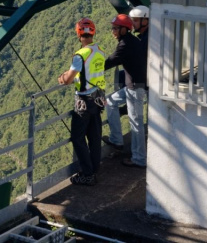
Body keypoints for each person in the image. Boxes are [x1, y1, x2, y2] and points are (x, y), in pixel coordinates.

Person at [58, 18, 107, 186]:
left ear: (79, 34)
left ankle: (87, 174)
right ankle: (94, 169)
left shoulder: (80, 55)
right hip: (98, 99)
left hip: (84, 101)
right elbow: (89, 73)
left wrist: (62, 77)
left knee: (77, 138)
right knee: (94, 137)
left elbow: (68, 79)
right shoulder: (100, 51)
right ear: (92, 33)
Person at [102, 14, 147, 168]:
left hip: (134, 88)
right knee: (110, 102)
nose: (112, 31)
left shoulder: (124, 45)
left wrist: (89, 68)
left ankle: (139, 159)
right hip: (135, 86)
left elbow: (108, 62)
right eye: (112, 28)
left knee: (136, 124)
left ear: (123, 29)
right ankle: (116, 140)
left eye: (115, 28)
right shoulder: (132, 41)